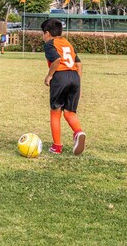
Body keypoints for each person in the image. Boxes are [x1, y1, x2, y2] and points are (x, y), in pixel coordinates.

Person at [41, 18, 86, 155]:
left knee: (55, 112)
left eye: (43, 34)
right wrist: (78, 83)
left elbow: (56, 60)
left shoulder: (49, 44)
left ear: (47, 33)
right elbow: (78, 64)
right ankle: (78, 132)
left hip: (60, 77)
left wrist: (49, 76)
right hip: (74, 77)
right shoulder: (67, 44)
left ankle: (57, 146)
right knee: (69, 112)